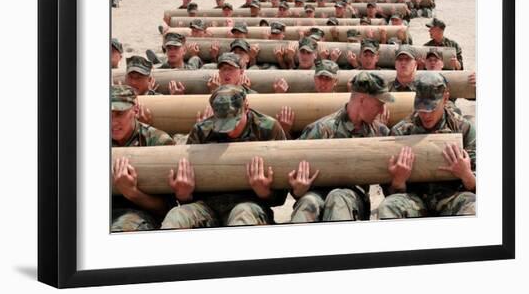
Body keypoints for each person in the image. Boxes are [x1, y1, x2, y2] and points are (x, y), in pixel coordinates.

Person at [160, 85, 288, 229]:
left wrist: (264, 192)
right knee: (176, 216)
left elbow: (281, 197)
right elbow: (189, 193)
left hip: (249, 204)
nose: (229, 130)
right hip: (208, 206)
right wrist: (184, 195)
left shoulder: (268, 129)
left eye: (234, 121)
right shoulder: (202, 131)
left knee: (243, 216)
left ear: (246, 107)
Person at [288, 72, 393, 223]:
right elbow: (294, 180)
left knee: (338, 198)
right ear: (363, 100)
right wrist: (298, 189)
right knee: (308, 202)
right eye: (379, 104)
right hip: (317, 195)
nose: (382, 111)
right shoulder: (322, 129)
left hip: (351, 199)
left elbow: (390, 187)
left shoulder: (380, 133)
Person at [377, 72, 476, 218]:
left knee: (474, 206)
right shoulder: (401, 132)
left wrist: (465, 174)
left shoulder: (464, 129)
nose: (426, 115)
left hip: (452, 199)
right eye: (421, 108)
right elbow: (389, 193)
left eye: (431, 108)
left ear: (446, 98)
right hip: (414, 201)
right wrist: (398, 182)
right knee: (388, 207)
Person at [111, 85, 175, 232]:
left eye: (119, 113)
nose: (113, 122)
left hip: (138, 215)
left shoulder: (159, 142)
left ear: (135, 110)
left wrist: (131, 193)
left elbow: (166, 208)